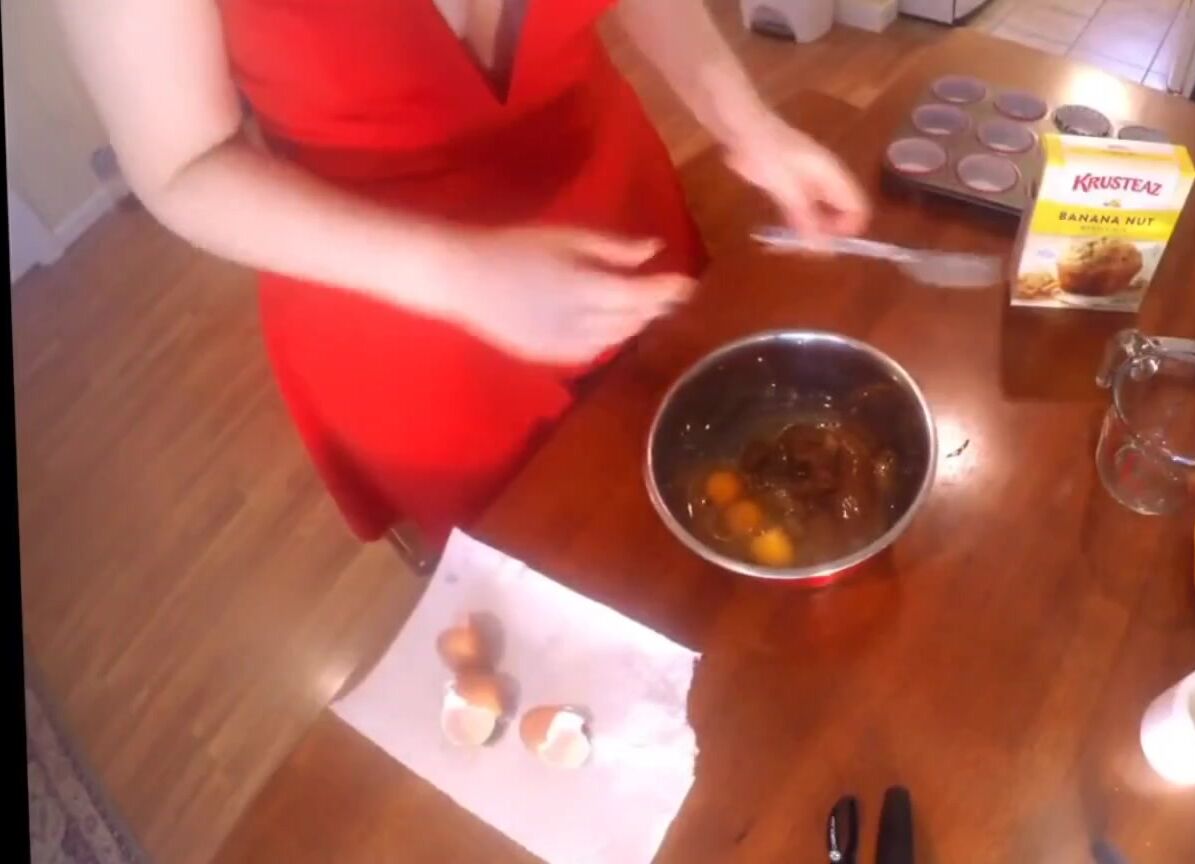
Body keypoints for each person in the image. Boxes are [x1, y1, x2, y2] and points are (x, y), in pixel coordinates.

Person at [57, 0, 870, 561]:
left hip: (620, 214)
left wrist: (745, 122)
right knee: (565, 571)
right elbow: (182, 167)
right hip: (401, 311)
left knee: (723, 470)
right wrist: (458, 275)